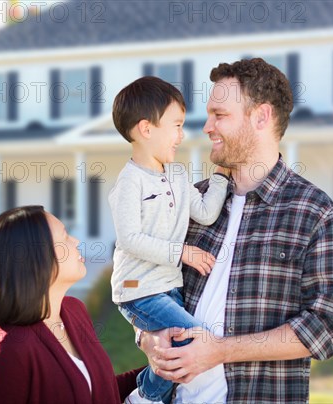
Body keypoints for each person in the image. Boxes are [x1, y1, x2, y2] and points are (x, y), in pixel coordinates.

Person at [136, 58, 333, 404]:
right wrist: (148, 337)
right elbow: (143, 283)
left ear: (261, 117)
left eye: (219, 115)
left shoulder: (313, 212)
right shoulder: (190, 203)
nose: (206, 126)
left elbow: (329, 327)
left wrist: (220, 351)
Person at [109, 76, 230, 403]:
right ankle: (143, 397)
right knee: (196, 341)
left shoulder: (176, 174)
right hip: (138, 290)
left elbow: (204, 212)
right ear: (146, 129)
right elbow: (131, 239)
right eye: (176, 126)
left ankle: (150, 397)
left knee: (174, 348)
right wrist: (182, 252)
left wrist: (220, 176)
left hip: (169, 287)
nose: (182, 135)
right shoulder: (130, 183)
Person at [0, 205, 144, 404]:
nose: (76, 241)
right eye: (65, 236)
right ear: (37, 257)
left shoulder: (74, 310)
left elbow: (100, 391)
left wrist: (162, 369)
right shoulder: (9, 350)